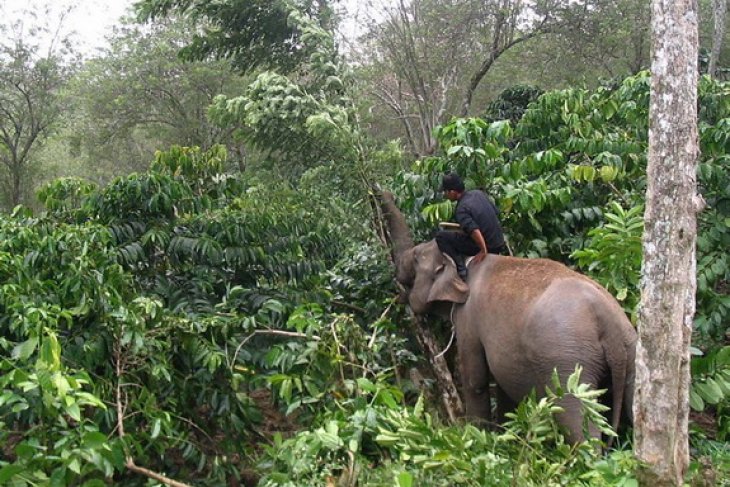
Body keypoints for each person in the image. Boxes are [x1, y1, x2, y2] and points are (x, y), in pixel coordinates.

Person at [435, 173, 506, 281]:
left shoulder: (461, 209)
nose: (445, 195)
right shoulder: (478, 193)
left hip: (489, 247)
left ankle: (460, 268)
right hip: (499, 243)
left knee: (441, 237)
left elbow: (474, 230)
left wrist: (483, 250)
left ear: (453, 192)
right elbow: (495, 213)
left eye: (446, 192)